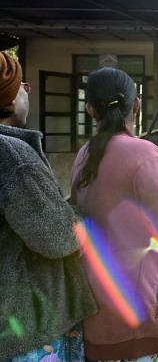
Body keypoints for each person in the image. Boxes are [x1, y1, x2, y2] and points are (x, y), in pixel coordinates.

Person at [71, 67, 158, 361]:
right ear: (135, 106)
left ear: (89, 109)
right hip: (145, 308)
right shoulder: (145, 154)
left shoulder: (84, 156)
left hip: (96, 305)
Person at [0, 52, 97, 361]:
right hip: (29, 323)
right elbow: (55, 237)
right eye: (22, 85)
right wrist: (81, 223)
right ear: (9, 97)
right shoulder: (12, 155)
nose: (28, 91)